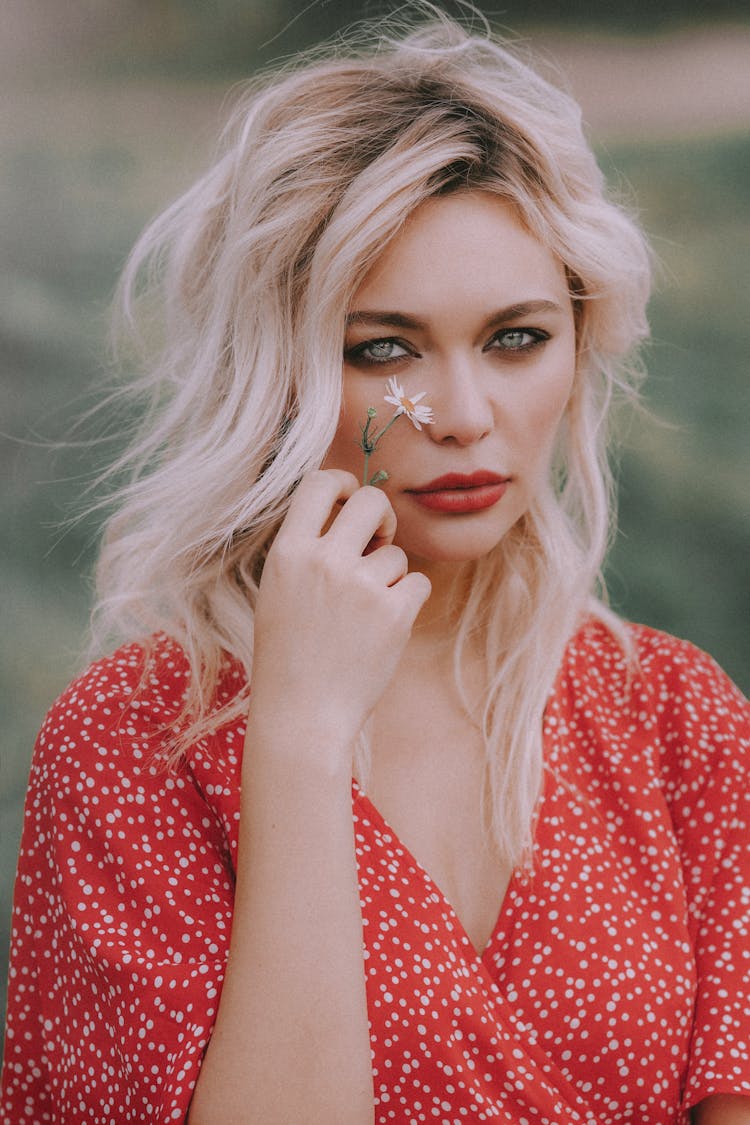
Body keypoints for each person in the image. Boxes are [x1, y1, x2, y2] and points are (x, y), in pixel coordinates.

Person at [1, 11, 748, 1125]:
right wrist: (299, 734)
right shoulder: (128, 747)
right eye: (382, 349)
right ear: (283, 371)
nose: (459, 416)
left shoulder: (677, 721)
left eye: (516, 338)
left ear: (581, 340)